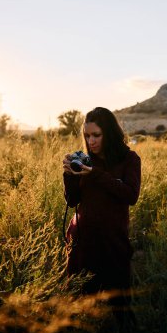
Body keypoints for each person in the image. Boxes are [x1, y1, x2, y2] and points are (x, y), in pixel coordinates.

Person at [62, 107, 141, 295]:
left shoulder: (129, 159)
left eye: (96, 135)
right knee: (80, 301)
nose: (91, 141)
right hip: (82, 241)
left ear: (110, 133)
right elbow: (72, 201)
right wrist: (69, 175)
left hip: (113, 242)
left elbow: (131, 195)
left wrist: (94, 174)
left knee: (118, 302)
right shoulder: (85, 160)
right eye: (87, 135)